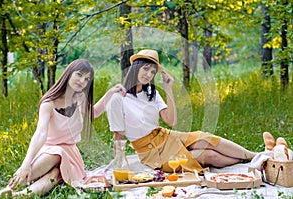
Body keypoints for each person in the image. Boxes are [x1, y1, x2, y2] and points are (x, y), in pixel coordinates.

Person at [106, 49, 258, 174]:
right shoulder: (118, 98)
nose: (148, 74)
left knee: (206, 138)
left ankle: (256, 156)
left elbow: (171, 121)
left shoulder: (151, 92)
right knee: (209, 155)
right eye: (145, 68)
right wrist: (119, 165)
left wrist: (168, 89)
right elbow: (118, 135)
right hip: (151, 152)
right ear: (135, 68)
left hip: (166, 136)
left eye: (153, 72)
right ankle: (251, 160)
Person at [0, 58, 125, 198]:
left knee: (55, 175)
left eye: (86, 79)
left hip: (71, 155)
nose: (82, 81)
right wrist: (25, 164)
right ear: (69, 73)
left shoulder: (79, 98)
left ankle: (19, 196)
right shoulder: (48, 103)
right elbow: (40, 133)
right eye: (79, 75)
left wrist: (110, 93)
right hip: (49, 152)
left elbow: (95, 112)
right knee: (57, 152)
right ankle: (5, 191)